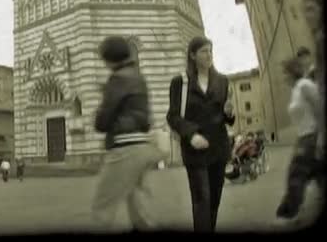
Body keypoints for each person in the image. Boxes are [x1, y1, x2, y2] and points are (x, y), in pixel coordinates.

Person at [91, 36, 162, 231]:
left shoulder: (117, 79)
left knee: (102, 208)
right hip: (143, 146)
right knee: (140, 211)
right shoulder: (138, 76)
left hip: (124, 149)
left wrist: (103, 101)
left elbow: (102, 122)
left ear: (108, 59)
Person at [166, 36, 235, 232]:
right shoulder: (181, 82)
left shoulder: (222, 81)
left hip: (219, 150)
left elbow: (226, 119)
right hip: (194, 152)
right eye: (204, 51)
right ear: (192, 55)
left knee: (214, 201)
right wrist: (191, 134)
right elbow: (172, 116)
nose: (209, 55)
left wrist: (229, 113)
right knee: (202, 200)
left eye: (211, 51)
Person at [275, 56, 324, 226]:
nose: (284, 78)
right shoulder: (296, 89)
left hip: (311, 136)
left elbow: (320, 110)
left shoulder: (305, 85)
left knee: (296, 174)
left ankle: (290, 214)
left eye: (285, 73)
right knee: (317, 173)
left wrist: (321, 139)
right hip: (304, 136)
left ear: (292, 72)